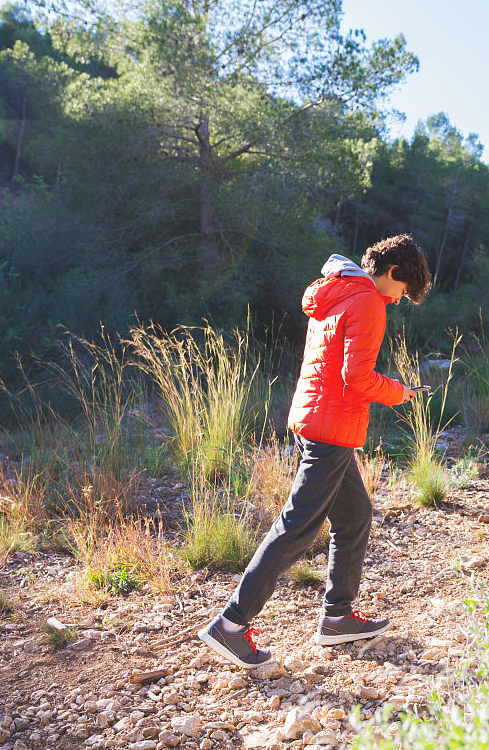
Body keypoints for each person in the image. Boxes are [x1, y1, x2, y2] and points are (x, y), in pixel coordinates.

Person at [199, 234, 432, 668]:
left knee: (354, 514)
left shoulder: (336, 293)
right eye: (402, 291)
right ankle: (230, 624)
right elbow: (357, 376)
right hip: (331, 429)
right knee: (297, 528)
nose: (399, 301)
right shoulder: (367, 303)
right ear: (394, 273)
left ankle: (338, 617)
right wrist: (399, 392)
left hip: (315, 420)